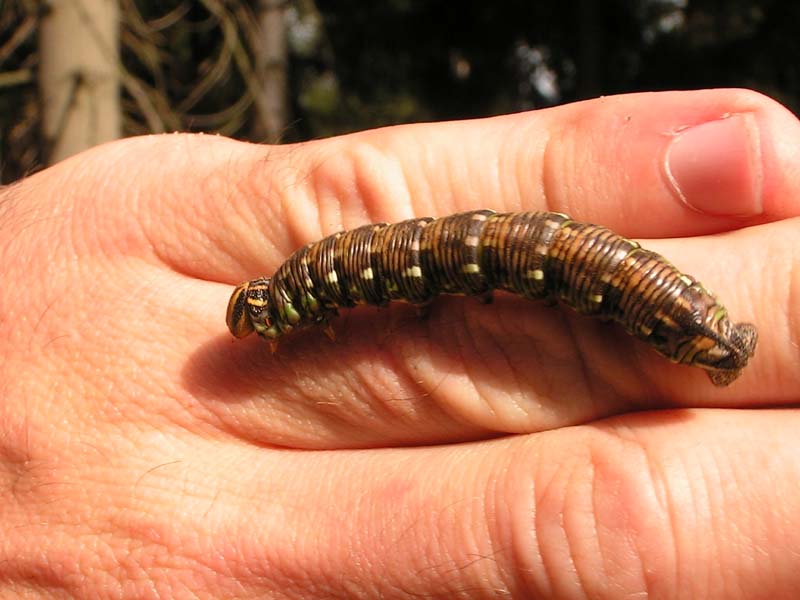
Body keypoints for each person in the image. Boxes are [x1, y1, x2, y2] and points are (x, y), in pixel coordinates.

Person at [0, 88, 798, 598]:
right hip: (559, 271)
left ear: (297, 307)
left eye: (263, 317)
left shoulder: (320, 284)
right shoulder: (325, 284)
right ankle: (704, 335)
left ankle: (703, 336)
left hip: (586, 279)